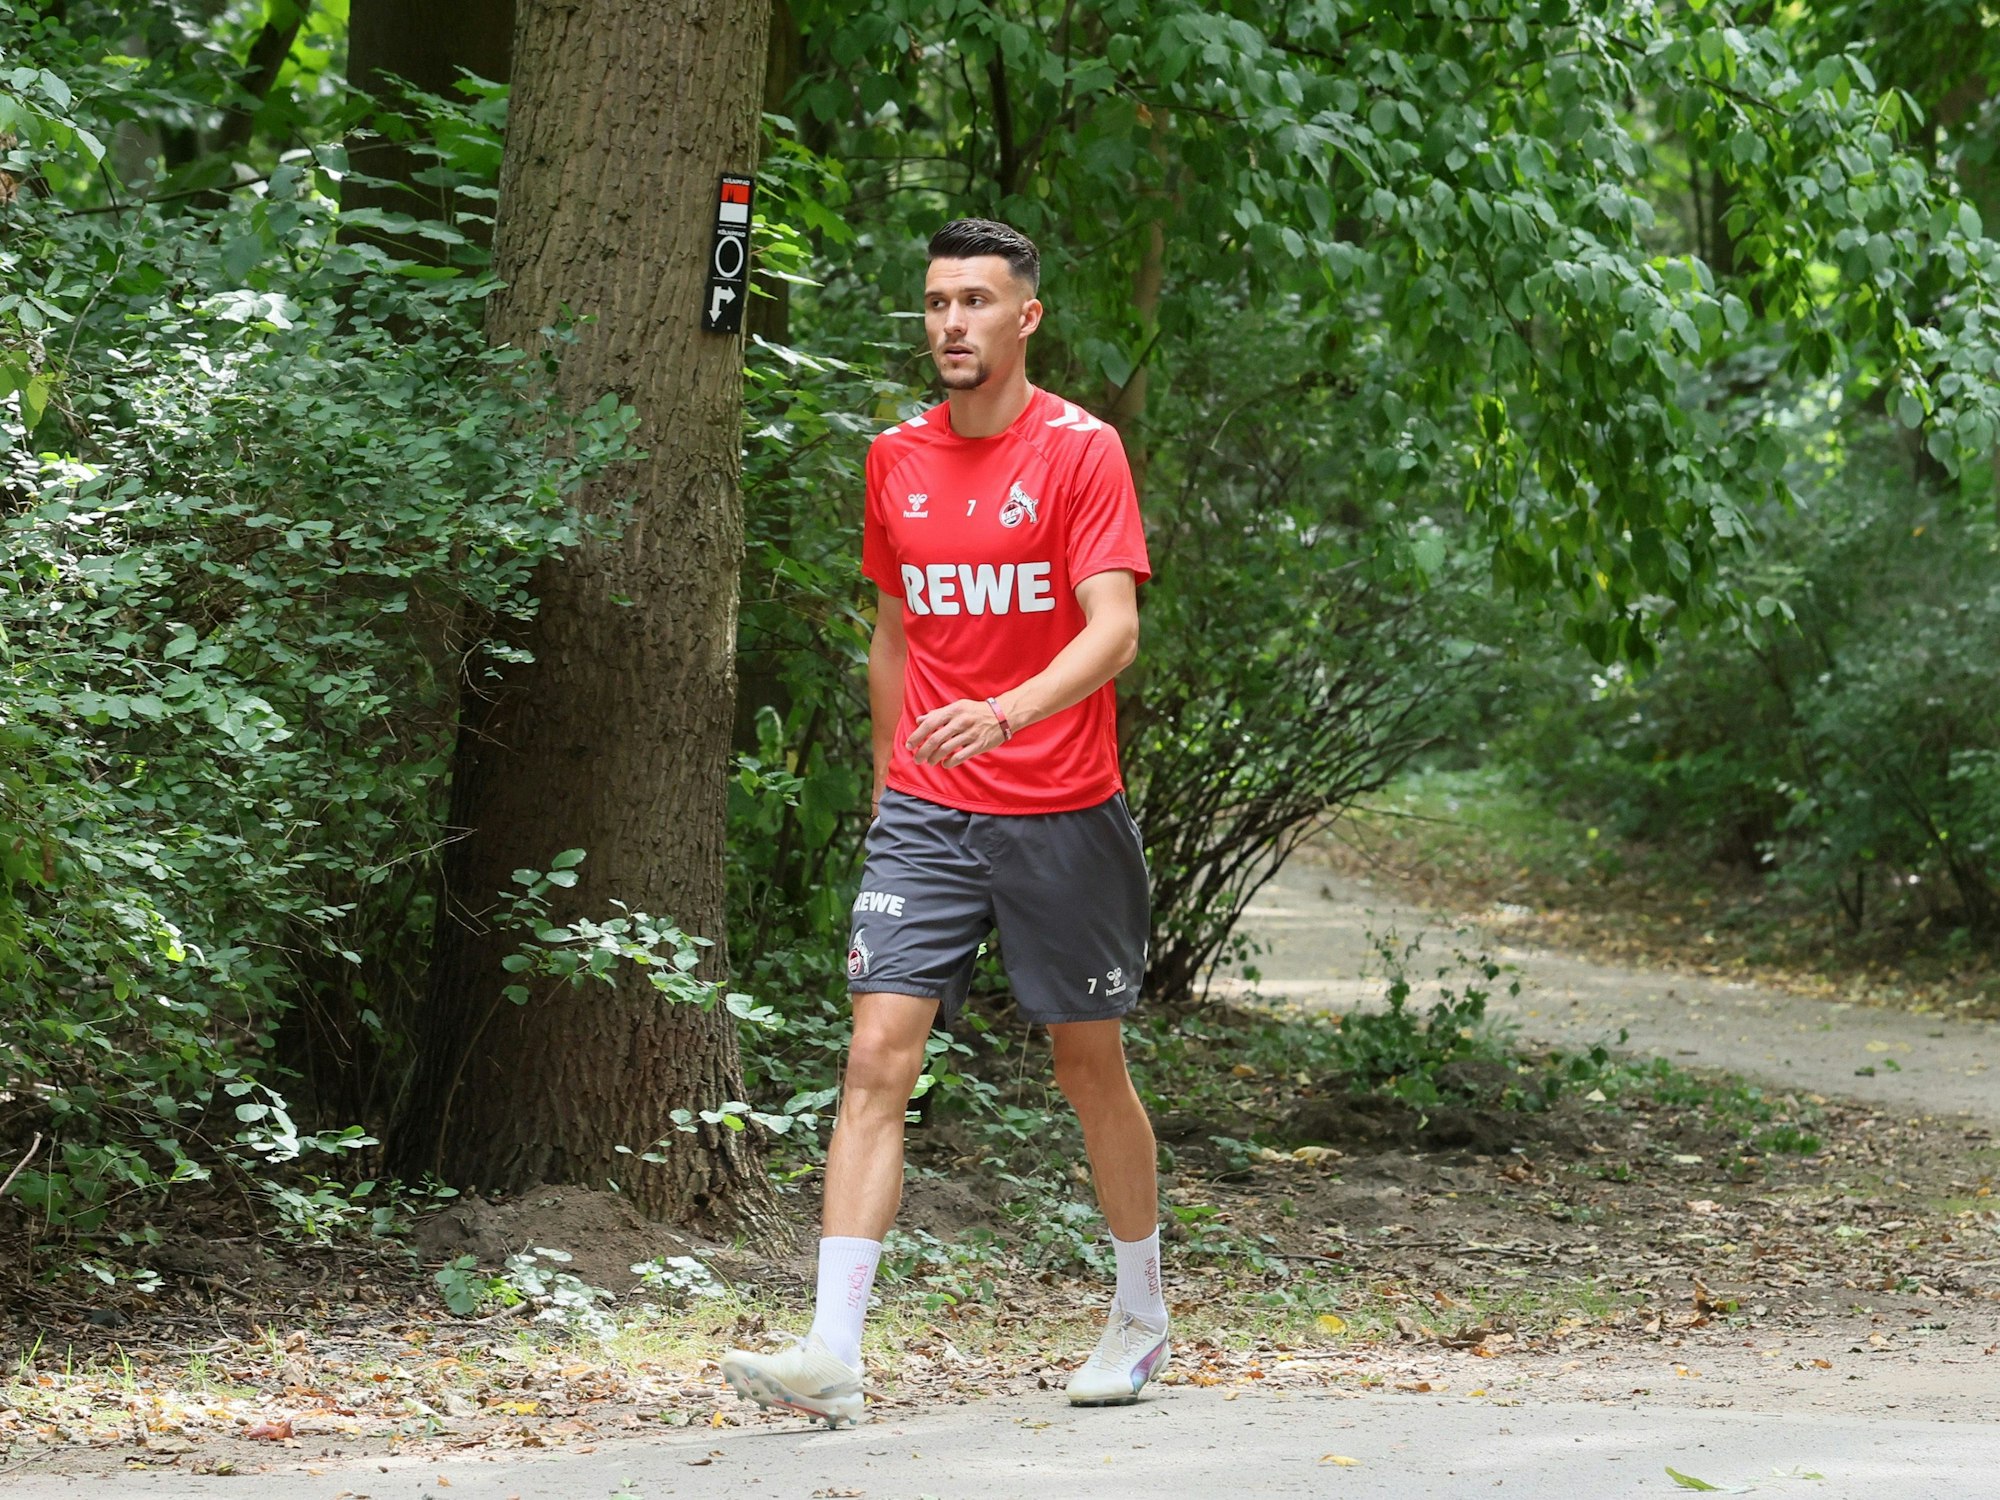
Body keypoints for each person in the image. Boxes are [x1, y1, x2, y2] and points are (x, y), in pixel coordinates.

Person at [721, 218, 1165, 1427]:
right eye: (934, 304)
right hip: (925, 811)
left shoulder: (1080, 451)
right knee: (874, 1058)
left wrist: (1005, 713)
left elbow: (1111, 628)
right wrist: (885, 768)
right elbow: (894, 629)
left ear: (1026, 317)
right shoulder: (893, 457)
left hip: (1060, 810)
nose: (951, 324)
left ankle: (1137, 1313)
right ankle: (830, 1349)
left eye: (975, 301)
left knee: (1087, 1065)